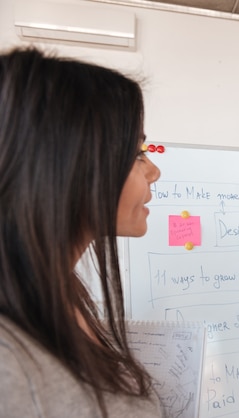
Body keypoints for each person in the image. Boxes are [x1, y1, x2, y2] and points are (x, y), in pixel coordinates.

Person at [0, 47, 162, 417]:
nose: (154, 171)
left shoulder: (66, 295)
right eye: (137, 152)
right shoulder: (7, 361)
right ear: (72, 165)